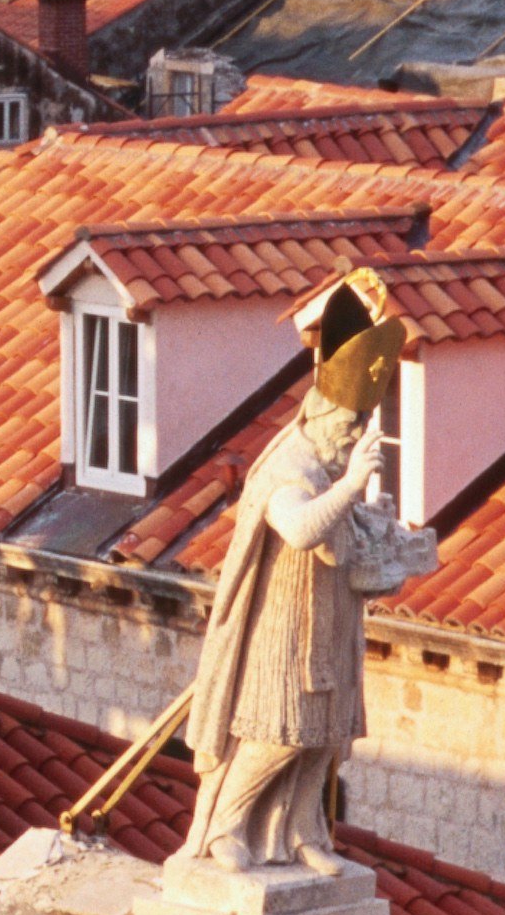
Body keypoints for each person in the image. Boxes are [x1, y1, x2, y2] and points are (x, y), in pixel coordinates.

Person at [176, 313, 431, 875]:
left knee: (324, 736)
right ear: (318, 415)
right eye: (348, 425)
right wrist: (348, 489)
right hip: (282, 628)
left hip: (333, 618)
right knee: (278, 734)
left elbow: (337, 532)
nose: (353, 436)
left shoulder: (326, 458)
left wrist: (369, 520)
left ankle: (299, 832)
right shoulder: (289, 466)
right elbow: (299, 527)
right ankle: (225, 828)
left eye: (362, 422)